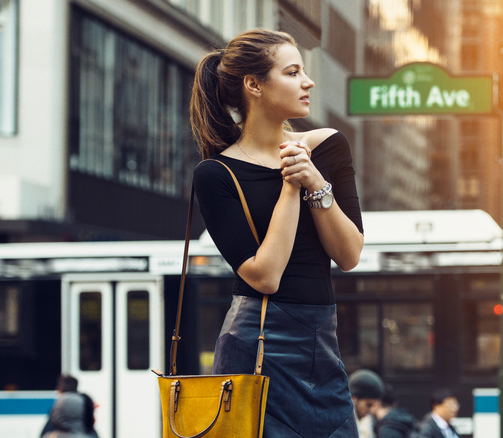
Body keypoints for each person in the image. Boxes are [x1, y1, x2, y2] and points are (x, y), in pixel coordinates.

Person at [190, 28, 364, 437]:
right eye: (292, 72)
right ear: (254, 85)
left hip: (320, 342)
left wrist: (315, 181)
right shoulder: (216, 173)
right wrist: (290, 185)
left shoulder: (327, 146)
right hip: (256, 346)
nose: (308, 82)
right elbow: (265, 275)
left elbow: (349, 255)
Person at [348, 369, 384, 437]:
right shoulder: (339, 425)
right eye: (369, 405)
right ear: (353, 399)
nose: (371, 410)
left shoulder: (368, 422)